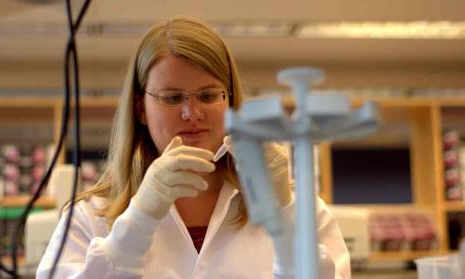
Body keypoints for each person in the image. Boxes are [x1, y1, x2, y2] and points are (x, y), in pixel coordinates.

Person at [37, 16, 351, 278]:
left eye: (208, 95)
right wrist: (139, 221)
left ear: (230, 101)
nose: (193, 113)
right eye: (172, 98)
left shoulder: (303, 211)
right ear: (141, 109)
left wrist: (286, 217)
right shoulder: (89, 218)